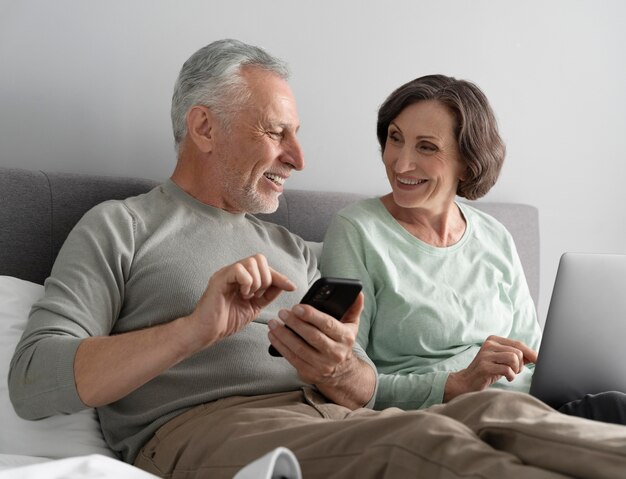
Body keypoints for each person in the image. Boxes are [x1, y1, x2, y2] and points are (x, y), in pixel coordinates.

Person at [8, 40, 626, 479]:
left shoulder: (295, 249)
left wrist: (337, 363)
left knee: (502, 410)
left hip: (327, 415)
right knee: (427, 440)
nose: (300, 158)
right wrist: (191, 332)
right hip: (205, 430)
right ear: (205, 127)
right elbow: (33, 382)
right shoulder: (122, 227)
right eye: (278, 133)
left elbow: (362, 380)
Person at [319, 74, 626, 423]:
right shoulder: (357, 230)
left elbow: (536, 357)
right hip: (453, 415)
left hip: (532, 406)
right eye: (395, 138)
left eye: (426, 146)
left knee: (614, 401)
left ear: (467, 162)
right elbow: (347, 376)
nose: (401, 164)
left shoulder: (495, 236)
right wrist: (459, 382)